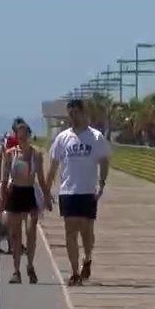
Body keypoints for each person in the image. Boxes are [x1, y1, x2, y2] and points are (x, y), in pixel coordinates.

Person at [45, 99, 110, 286]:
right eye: (70, 113)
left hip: (88, 190)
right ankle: (74, 272)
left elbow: (104, 160)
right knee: (70, 232)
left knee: (87, 231)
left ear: (83, 112)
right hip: (68, 190)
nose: (73, 116)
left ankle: (87, 258)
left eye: (76, 112)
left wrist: (101, 183)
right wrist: (47, 190)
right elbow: (53, 165)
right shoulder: (62, 138)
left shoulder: (95, 137)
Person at [0, 121, 46, 283]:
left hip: (30, 193)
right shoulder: (10, 154)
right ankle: (16, 270)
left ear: (29, 133)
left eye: (24, 131)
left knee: (30, 231)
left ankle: (30, 265)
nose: (22, 135)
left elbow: (40, 178)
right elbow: (4, 179)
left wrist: (46, 196)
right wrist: (1, 197)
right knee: (15, 233)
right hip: (15, 193)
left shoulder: (36, 154)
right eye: (19, 132)